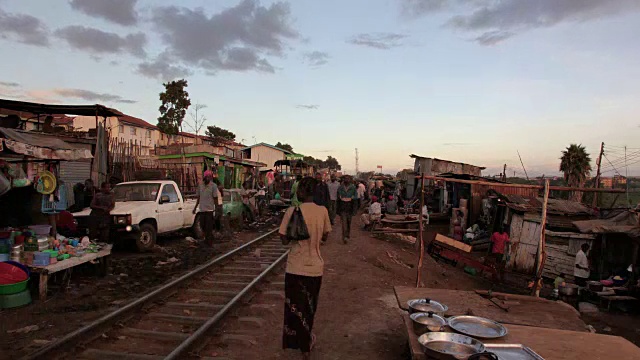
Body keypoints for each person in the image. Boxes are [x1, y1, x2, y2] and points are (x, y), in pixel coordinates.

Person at [279, 177, 331, 360]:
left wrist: (296, 233)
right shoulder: (323, 211)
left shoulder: (293, 210)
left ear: (301, 192)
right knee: (309, 308)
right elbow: (325, 237)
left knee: (294, 307)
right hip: (315, 269)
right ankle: (306, 345)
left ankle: (298, 342)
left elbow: (283, 239)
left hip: (294, 268)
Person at [193, 170, 218, 246]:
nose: (208, 178)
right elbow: (198, 197)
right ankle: (207, 239)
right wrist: (195, 207)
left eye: (210, 177)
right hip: (202, 210)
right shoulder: (200, 186)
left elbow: (215, 198)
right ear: (205, 177)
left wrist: (216, 209)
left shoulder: (213, 186)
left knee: (209, 227)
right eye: (207, 177)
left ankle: (209, 242)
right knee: (202, 226)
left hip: (209, 210)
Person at [337, 176, 357, 243]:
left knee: (349, 223)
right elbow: (338, 199)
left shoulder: (353, 188)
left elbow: (355, 200)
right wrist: (338, 210)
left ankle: (347, 235)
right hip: (342, 207)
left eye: (348, 179)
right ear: (343, 180)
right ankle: (344, 237)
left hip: (350, 208)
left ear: (350, 180)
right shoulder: (340, 188)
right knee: (344, 224)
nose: (346, 180)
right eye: (345, 179)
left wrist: (354, 210)